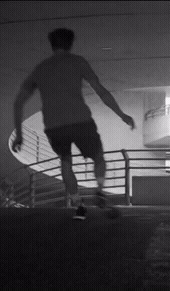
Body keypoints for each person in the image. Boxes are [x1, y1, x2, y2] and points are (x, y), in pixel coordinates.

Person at [11, 28, 135, 220]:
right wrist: (121, 114)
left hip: (53, 126)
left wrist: (19, 134)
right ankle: (100, 190)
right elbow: (100, 91)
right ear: (70, 43)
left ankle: (78, 205)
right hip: (80, 121)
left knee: (65, 162)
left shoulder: (41, 68)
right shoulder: (78, 62)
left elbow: (18, 102)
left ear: (52, 45)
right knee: (98, 156)